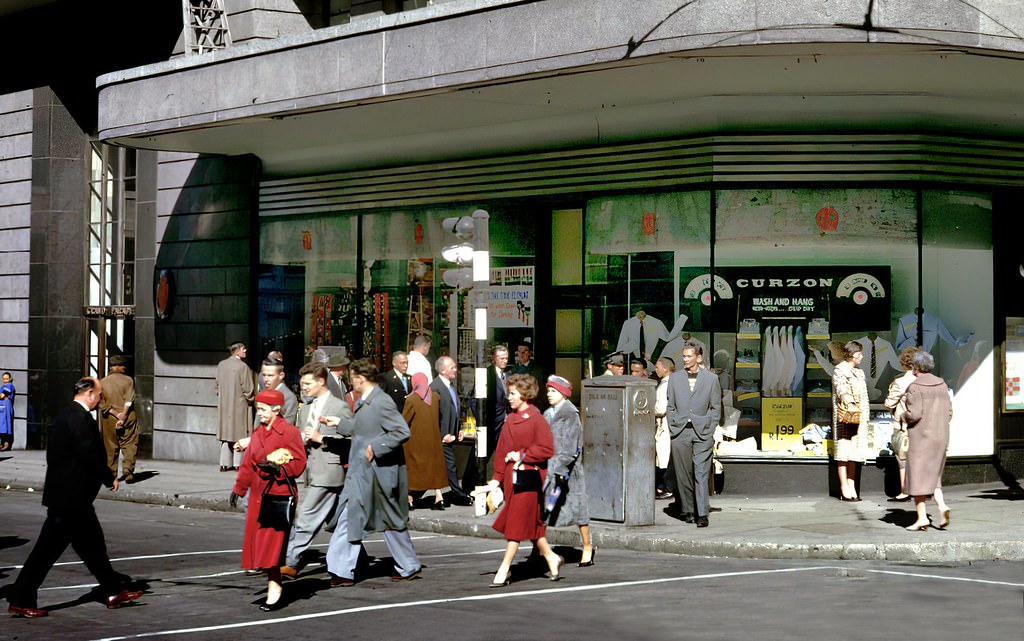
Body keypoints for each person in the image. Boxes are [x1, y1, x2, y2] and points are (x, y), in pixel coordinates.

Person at [7, 377, 143, 618]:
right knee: (45, 553)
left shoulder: (65, 415)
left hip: (71, 497)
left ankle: (112, 590)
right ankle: (20, 598)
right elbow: (88, 453)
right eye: (100, 395)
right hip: (69, 499)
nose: (101, 399)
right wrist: (107, 475)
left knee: (94, 548)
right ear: (89, 393)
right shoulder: (78, 418)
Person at [325, 358, 423, 586]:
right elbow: (364, 429)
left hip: (378, 474)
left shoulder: (381, 402)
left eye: (352, 378)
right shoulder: (366, 401)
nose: (351, 383)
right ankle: (341, 570)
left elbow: (401, 431)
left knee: (389, 521)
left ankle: (408, 565)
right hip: (363, 474)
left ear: (360, 379)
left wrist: (376, 447)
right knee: (351, 517)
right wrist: (339, 422)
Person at [479, 374, 562, 587]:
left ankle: (504, 568)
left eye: (513, 393)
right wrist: (496, 479)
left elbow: (546, 449)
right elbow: (501, 451)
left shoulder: (537, 419)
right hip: (511, 482)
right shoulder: (510, 420)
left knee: (515, 527)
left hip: (528, 481)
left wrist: (522, 455)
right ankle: (551, 557)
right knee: (532, 525)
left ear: (525, 395)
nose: (509, 397)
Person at [229, 388, 307, 612]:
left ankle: (275, 588)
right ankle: (273, 584)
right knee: (259, 546)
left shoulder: (290, 432)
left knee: (271, 546)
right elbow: (247, 464)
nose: (260, 413)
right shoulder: (257, 432)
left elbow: (299, 463)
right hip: (257, 495)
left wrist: (280, 468)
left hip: (277, 495)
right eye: (258, 409)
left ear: (276, 409)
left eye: (263, 409)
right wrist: (239, 488)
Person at [280, 362, 352, 579]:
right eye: (302, 384)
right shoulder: (307, 409)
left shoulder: (340, 407)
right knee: (338, 522)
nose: (304, 388)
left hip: (329, 472)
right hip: (310, 471)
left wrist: (322, 439)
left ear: (321, 382)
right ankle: (356, 561)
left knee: (306, 517)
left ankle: (291, 562)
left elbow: (351, 439)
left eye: (308, 383)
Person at [666, 342, 721, 527]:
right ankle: (688, 510)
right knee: (683, 474)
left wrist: (711, 428)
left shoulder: (711, 379)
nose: (685, 359)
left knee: (701, 472)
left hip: (702, 432)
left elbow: (716, 407)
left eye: (689, 356)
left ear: (698, 358)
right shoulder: (675, 379)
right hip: (680, 431)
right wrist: (673, 426)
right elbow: (670, 406)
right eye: (683, 356)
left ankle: (702, 513)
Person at [542, 375, 594, 567]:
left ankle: (587, 546)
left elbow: (573, 447)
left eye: (553, 391)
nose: (549, 394)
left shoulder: (571, 414)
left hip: (568, 473)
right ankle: (537, 550)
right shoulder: (547, 413)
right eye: (548, 391)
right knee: (544, 512)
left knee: (579, 512)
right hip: (550, 470)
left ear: (563, 394)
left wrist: (560, 467)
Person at [902, 351, 953, 531]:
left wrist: (903, 414)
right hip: (941, 437)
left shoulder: (916, 387)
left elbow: (914, 414)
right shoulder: (942, 384)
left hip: (922, 438)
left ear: (916, 367)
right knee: (933, 475)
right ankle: (941, 506)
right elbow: (949, 413)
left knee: (917, 477)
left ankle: (922, 517)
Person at [401, 372, 448, 510]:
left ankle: (409, 499)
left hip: (415, 441)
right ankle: (439, 497)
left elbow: (404, 421)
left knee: (412, 470)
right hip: (433, 440)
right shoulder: (435, 397)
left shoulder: (411, 400)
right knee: (434, 468)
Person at [430, 355, 472, 506]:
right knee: (451, 464)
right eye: (452, 367)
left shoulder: (450, 387)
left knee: (446, 465)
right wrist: (442, 435)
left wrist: (458, 429)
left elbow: (454, 410)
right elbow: (433, 415)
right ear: (442, 370)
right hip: (442, 436)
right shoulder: (435, 388)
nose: (455, 370)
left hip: (451, 434)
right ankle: (458, 494)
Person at [832, 340, 869, 502]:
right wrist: (849, 402)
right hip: (846, 416)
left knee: (854, 452)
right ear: (851, 354)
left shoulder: (859, 371)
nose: (861, 356)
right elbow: (841, 388)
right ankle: (843, 487)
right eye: (858, 353)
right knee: (843, 451)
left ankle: (851, 484)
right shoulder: (840, 369)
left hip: (859, 416)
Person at [884, 346, 921, 502]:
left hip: (903, 425)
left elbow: (889, 403)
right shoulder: (923, 380)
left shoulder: (900, 382)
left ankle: (905, 491)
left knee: (903, 459)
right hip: (920, 426)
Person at [98, 355, 138, 483]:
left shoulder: (102, 382)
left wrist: (115, 414)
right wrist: (123, 415)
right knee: (129, 444)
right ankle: (128, 470)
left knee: (110, 446)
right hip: (128, 417)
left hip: (109, 418)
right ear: (118, 367)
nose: (125, 368)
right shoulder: (128, 380)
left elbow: (101, 403)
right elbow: (129, 400)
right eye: (123, 366)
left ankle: (111, 474)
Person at [216, 342, 255, 472]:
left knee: (226, 434)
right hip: (239, 405)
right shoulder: (243, 367)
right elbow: (248, 389)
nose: (246, 351)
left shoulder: (221, 365)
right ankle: (238, 463)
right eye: (244, 349)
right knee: (240, 434)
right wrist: (250, 399)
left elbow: (217, 386)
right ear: (237, 351)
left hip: (224, 405)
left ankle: (223, 463)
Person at [653, 357, 675, 499]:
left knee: (663, 455)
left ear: (665, 369)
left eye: (657, 367)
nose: (656, 370)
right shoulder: (675, 383)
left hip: (664, 425)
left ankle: (666, 487)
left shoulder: (665, 385)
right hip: (670, 424)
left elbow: (660, 408)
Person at [260, 358, 298, 426]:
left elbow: (288, 425)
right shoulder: (263, 394)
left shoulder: (288, 397)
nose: (266, 379)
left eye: (270, 375)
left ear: (281, 375)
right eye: (264, 375)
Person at [0, 371, 15, 451]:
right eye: (4, 378)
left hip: (6, 408)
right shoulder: (2, 387)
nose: (5, 380)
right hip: (1, 408)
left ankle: (6, 444)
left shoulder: (9, 385)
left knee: (6, 425)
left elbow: (2, 395)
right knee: (1, 426)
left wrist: (3, 396)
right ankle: (2, 444)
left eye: (6, 378)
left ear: (10, 379)